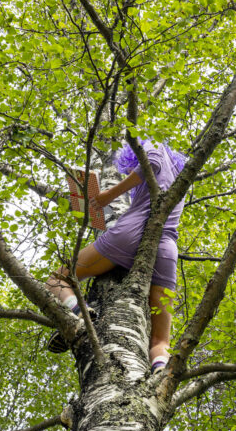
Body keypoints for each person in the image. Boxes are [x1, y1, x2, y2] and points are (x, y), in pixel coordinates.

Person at [45, 140, 186, 372]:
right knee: (161, 341)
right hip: (167, 249)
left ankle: (82, 313)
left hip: (130, 235)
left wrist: (107, 196)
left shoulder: (153, 146)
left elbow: (150, 163)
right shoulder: (180, 179)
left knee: (57, 278)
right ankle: (162, 374)